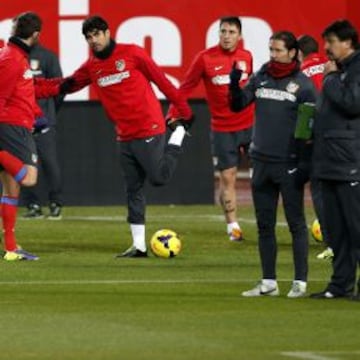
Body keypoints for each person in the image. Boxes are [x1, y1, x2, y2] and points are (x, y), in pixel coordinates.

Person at [41, 15, 193, 257]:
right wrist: (32, 86)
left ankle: (180, 135)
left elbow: (162, 81)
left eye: (96, 35)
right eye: (89, 37)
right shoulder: (92, 66)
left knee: (159, 178)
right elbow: (66, 85)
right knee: (133, 189)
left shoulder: (133, 53)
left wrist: (183, 112)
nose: (93, 40)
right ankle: (139, 246)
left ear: (107, 32)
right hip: (124, 135)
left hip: (149, 128)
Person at [229, 31, 317, 298]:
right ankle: (269, 282)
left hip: (288, 165)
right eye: (271, 50)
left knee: (296, 224)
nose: (273, 55)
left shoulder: (304, 86)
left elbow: (307, 131)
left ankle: (300, 282)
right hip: (261, 162)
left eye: (278, 50)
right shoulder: (261, 76)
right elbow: (238, 105)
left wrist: (302, 165)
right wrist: (233, 85)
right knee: (264, 225)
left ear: (292, 53)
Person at [167, 16, 254, 242]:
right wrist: (172, 115)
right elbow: (185, 88)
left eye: (231, 32)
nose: (226, 36)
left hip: (250, 125)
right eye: (223, 31)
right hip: (223, 128)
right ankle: (233, 227)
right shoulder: (204, 59)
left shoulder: (247, 57)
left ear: (239, 35)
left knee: (264, 175)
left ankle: (265, 220)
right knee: (228, 178)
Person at [310, 20, 360, 300]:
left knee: (356, 226)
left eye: (330, 42)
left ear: (348, 43)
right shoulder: (342, 70)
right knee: (336, 229)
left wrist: (329, 79)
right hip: (329, 159)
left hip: (349, 160)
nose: (326, 48)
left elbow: (353, 103)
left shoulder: (353, 70)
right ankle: (340, 284)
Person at [0, 12, 44, 261]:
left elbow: (20, 93)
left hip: (18, 124)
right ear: (36, 34)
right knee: (28, 178)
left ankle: (11, 248)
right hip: (11, 127)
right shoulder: (12, 59)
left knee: (11, 190)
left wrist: (36, 114)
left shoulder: (14, 56)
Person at [297, 35, 333, 260]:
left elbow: (306, 107)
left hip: (319, 136)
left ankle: (332, 242)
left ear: (299, 53)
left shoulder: (302, 74)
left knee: (319, 188)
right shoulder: (333, 65)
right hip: (344, 135)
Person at [21, 42, 64, 220]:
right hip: (21, 121)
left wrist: (50, 111)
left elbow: (60, 87)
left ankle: (55, 203)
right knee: (25, 164)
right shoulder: (14, 57)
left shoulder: (47, 56)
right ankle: (33, 205)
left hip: (43, 121)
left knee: (49, 162)